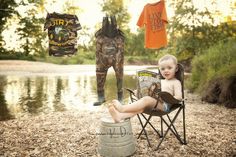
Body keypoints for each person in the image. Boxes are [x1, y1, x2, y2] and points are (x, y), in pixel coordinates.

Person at [108, 54, 182, 123]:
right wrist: (140, 92)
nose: (166, 70)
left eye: (169, 68)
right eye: (162, 69)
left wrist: (167, 97)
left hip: (164, 106)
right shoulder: (159, 81)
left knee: (146, 99)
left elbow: (179, 97)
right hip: (152, 104)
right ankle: (120, 116)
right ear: (160, 70)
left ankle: (122, 108)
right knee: (139, 104)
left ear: (176, 69)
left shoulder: (175, 82)